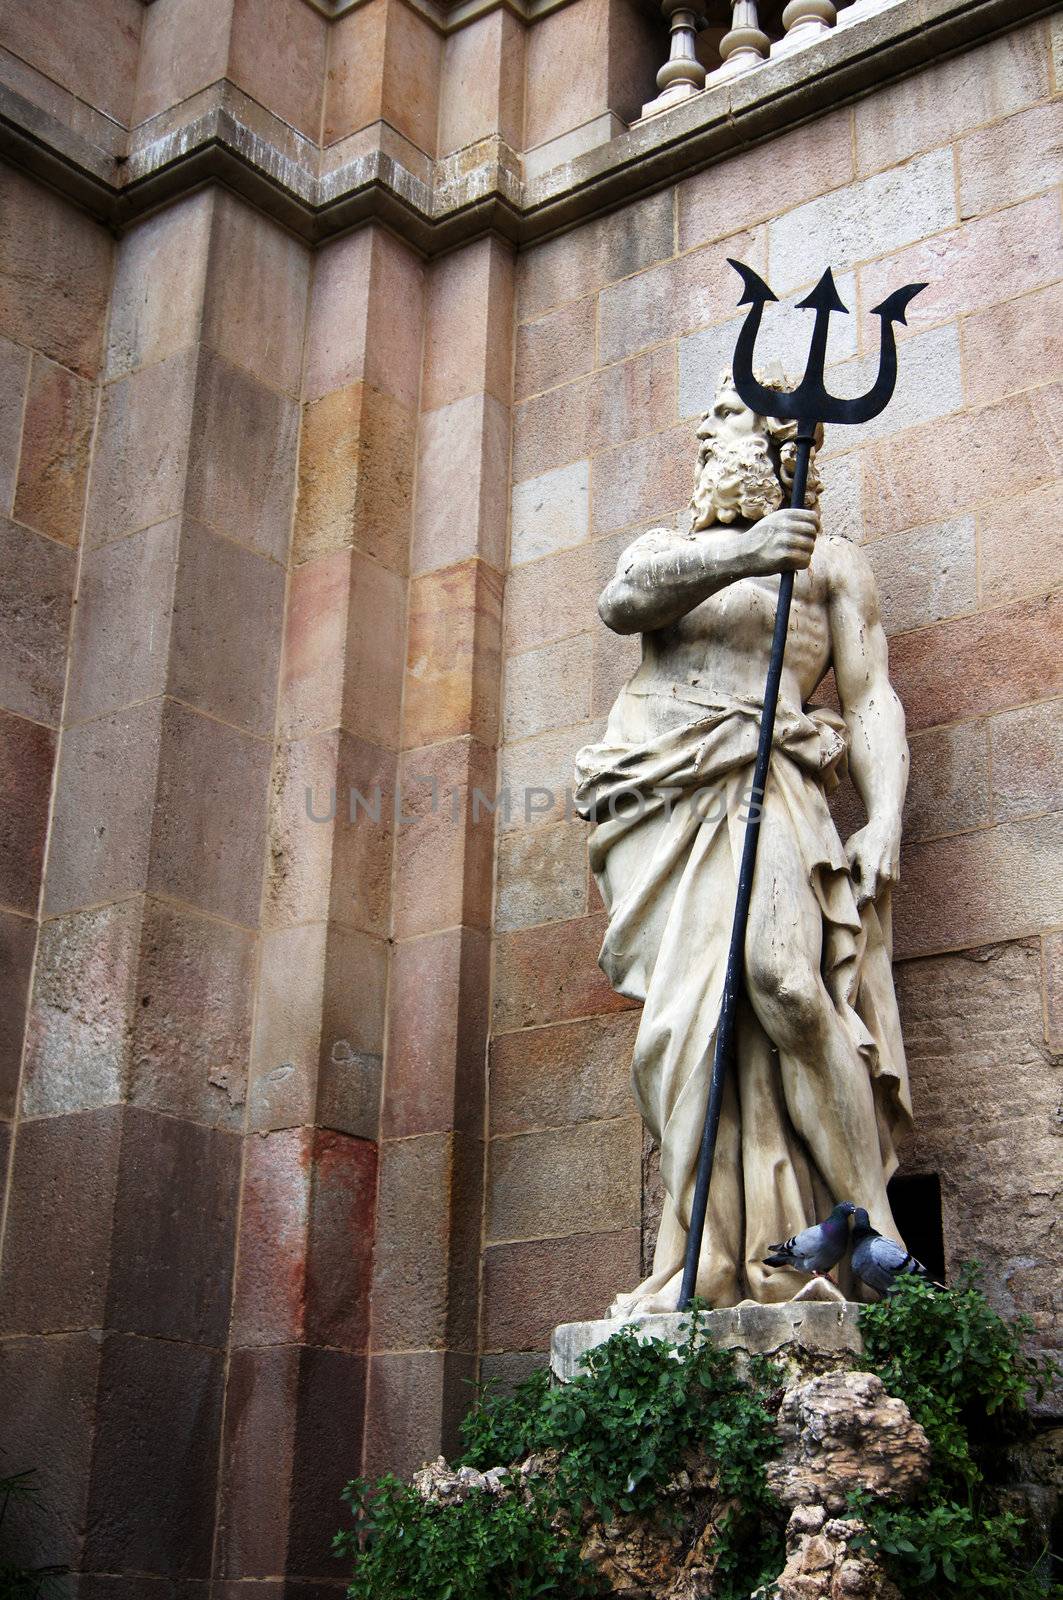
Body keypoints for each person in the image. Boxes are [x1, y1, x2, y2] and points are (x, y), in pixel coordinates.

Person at [574, 369, 912, 1313]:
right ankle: (703, 1260)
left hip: (776, 786)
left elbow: (868, 692)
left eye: (738, 423)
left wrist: (882, 814)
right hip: (664, 795)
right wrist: (747, 553)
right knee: (680, 1028)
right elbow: (623, 600)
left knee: (787, 986)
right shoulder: (668, 548)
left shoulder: (833, 564)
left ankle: (866, 1231)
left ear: (786, 448)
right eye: (713, 423)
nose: (715, 439)